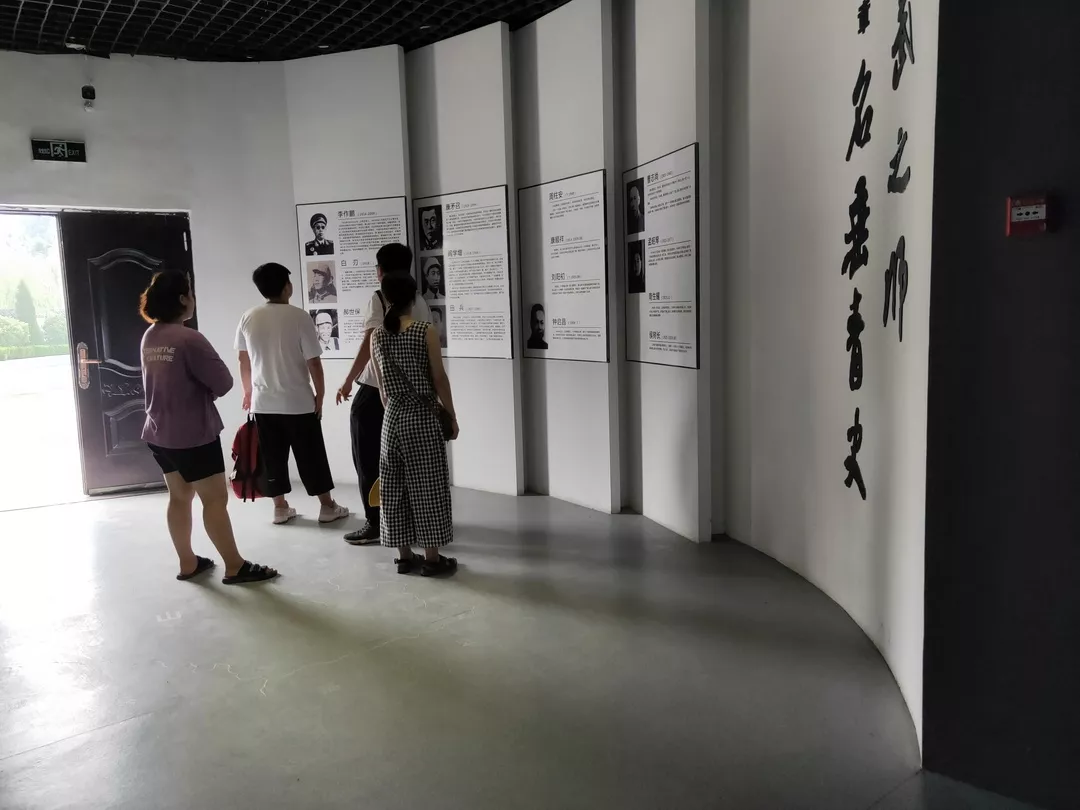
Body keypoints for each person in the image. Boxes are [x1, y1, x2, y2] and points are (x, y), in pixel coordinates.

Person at [139, 270, 278, 585]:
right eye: (190, 293)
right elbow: (224, 382)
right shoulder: (189, 338)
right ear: (182, 299)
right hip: (193, 436)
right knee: (214, 500)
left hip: (159, 432)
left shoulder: (150, 335)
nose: (193, 298)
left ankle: (188, 562)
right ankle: (235, 566)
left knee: (179, 497)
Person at [236, 262, 349, 526]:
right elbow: (314, 363)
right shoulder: (299, 317)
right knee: (312, 457)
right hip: (299, 403)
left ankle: (280, 508)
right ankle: (327, 507)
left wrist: (248, 393)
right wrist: (320, 395)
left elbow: (243, 360)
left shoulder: (248, 317)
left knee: (272, 458)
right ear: (287, 287)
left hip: (264, 403)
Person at [336, 244, 431, 545]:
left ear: (379, 271)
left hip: (377, 392)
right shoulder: (420, 301)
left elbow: (369, 342)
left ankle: (376, 522)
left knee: (368, 459)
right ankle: (410, 522)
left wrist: (348, 381)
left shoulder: (379, 298)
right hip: (414, 395)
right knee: (408, 461)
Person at [371, 271, 459, 576]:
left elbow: (382, 390)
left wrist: (395, 410)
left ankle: (404, 557)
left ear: (386, 298)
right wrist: (451, 415)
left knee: (394, 487)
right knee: (428, 485)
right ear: (413, 299)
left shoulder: (377, 335)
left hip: (392, 419)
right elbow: (439, 378)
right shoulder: (425, 330)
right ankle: (432, 559)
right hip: (421, 417)